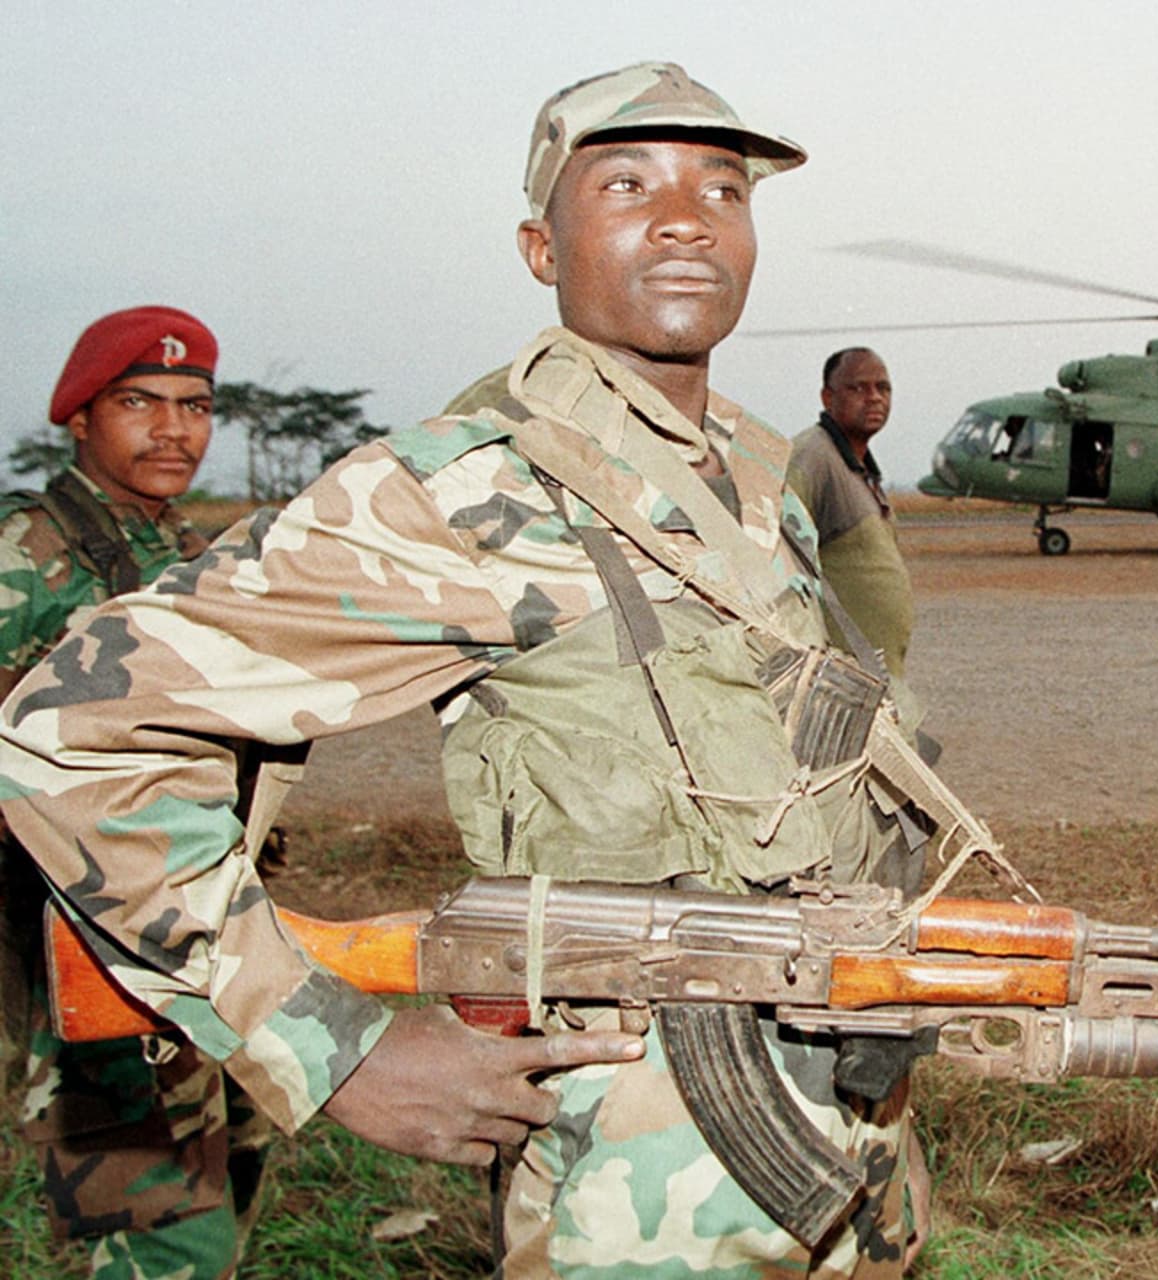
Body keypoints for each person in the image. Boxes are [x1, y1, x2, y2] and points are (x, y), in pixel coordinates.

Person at [0, 63, 964, 1277]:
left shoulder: (758, 477)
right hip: (644, 1194)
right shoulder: (472, 491)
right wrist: (332, 1046)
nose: (686, 217)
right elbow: (70, 723)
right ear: (539, 248)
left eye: (723, 188)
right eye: (627, 185)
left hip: (857, 1143)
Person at [0, 307, 275, 1280]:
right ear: (79, 417)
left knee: (227, 1176)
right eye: (139, 402)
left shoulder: (192, 557)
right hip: (84, 943)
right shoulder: (22, 555)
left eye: (194, 406)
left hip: (203, 938)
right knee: (165, 1234)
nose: (173, 429)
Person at [787, 348, 914, 675]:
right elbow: (781, 562)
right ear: (828, 397)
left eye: (883, 388)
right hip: (839, 673)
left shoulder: (858, 467)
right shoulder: (811, 459)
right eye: (858, 388)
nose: (874, 398)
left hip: (874, 672)